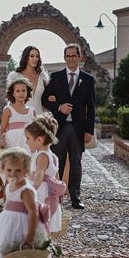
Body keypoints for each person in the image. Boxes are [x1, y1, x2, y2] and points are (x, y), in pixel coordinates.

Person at [41, 44, 95, 210]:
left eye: (74, 56)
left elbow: (91, 107)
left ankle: (75, 197)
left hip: (78, 128)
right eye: (68, 56)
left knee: (76, 163)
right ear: (64, 58)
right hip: (60, 126)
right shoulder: (55, 77)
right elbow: (44, 99)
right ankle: (55, 196)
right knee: (57, 162)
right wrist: (58, 107)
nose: (71, 59)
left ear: (80, 57)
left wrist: (89, 131)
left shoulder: (87, 79)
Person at [25, 114, 65, 258]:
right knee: (44, 238)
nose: (27, 142)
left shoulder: (41, 155)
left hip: (41, 202)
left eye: (28, 139)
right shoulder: (52, 155)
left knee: (39, 241)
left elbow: (39, 177)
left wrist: (29, 192)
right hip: (51, 202)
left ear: (39, 139)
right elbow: (54, 178)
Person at [7, 46, 50, 116]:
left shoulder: (43, 78)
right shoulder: (15, 76)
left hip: (39, 117)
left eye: (37, 56)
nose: (35, 59)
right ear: (26, 57)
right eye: (32, 56)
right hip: (20, 116)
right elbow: (10, 99)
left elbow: (45, 99)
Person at [0, 77, 36, 152]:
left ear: (27, 92)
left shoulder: (32, 111)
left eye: (23, 90)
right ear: (13, 93)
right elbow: (2, 130)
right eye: (18, 91)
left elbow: (35, 130)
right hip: (11, 143)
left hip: (27, 145)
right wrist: (2, 140)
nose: (21, 93)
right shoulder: (8, 110)